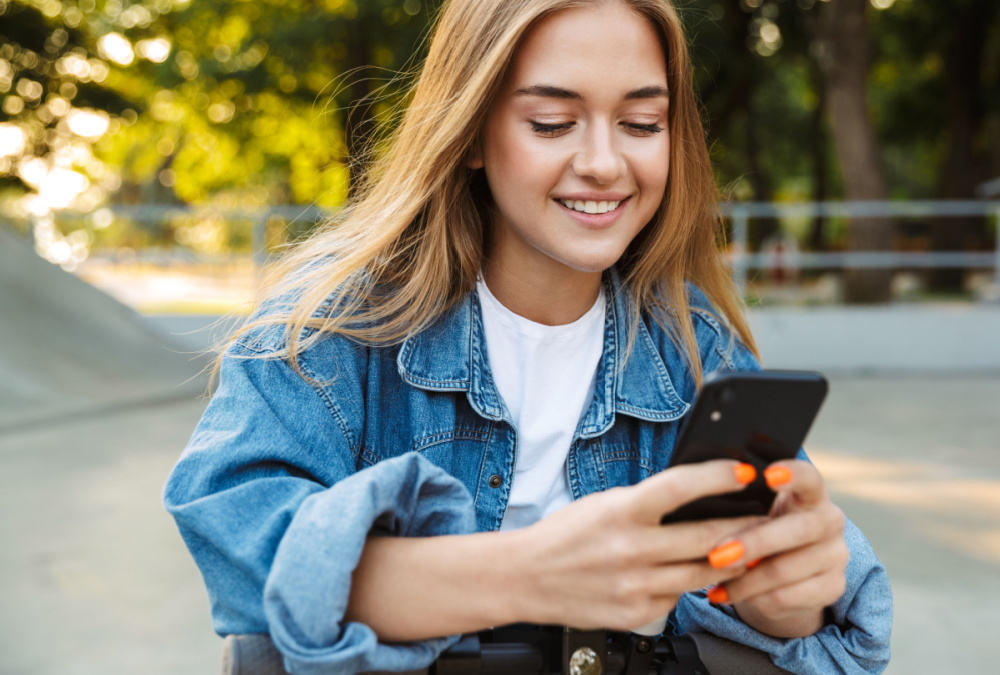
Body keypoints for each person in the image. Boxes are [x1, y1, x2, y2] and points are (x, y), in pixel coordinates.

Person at [163, 1, 892, 674]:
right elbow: (235, 537)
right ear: (473, 133)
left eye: (642, 124)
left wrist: (789, 599)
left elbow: (831, 624)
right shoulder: (331, 328)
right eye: (552, 123)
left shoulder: (696, 347)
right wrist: (529, 572)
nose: (606, 163)